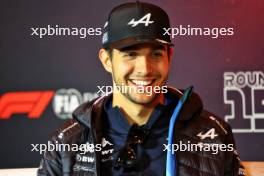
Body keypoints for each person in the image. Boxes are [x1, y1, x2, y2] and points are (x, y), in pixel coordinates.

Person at [37, 1, 245, 176]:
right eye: (131, 54)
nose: (145, 69)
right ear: (106, 60)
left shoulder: (213, 134)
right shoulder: (67, 141)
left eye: (155, 54)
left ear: (169, 57)